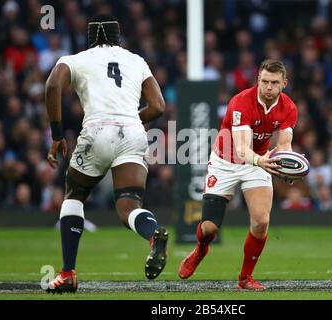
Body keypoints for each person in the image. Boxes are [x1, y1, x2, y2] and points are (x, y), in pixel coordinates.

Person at [44, 14, 168, 294]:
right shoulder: (136, 60)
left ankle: (67, 274)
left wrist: (57, 135)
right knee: (129, 206)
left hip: (97, 130)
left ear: (90, 38)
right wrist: (130, 119)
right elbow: (158, 106)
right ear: (118, 37)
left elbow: (52, 85)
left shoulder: (75, 59)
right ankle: (153, 234)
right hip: (133, 132)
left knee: (74, 195)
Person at [178, 59, 298, 291]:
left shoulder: (289, 107)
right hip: (226, 162)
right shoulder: (241, 102)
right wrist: (262, 161)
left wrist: (286, 164)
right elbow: (242, 148)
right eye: (264, 81)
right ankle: (201, 249)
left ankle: (245, 278)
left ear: (284, 83)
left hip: (257, 163)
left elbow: (284, 144)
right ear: (258, 80)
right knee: (210, 228)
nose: (268, 87)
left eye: (274, 82)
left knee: (262, 221)